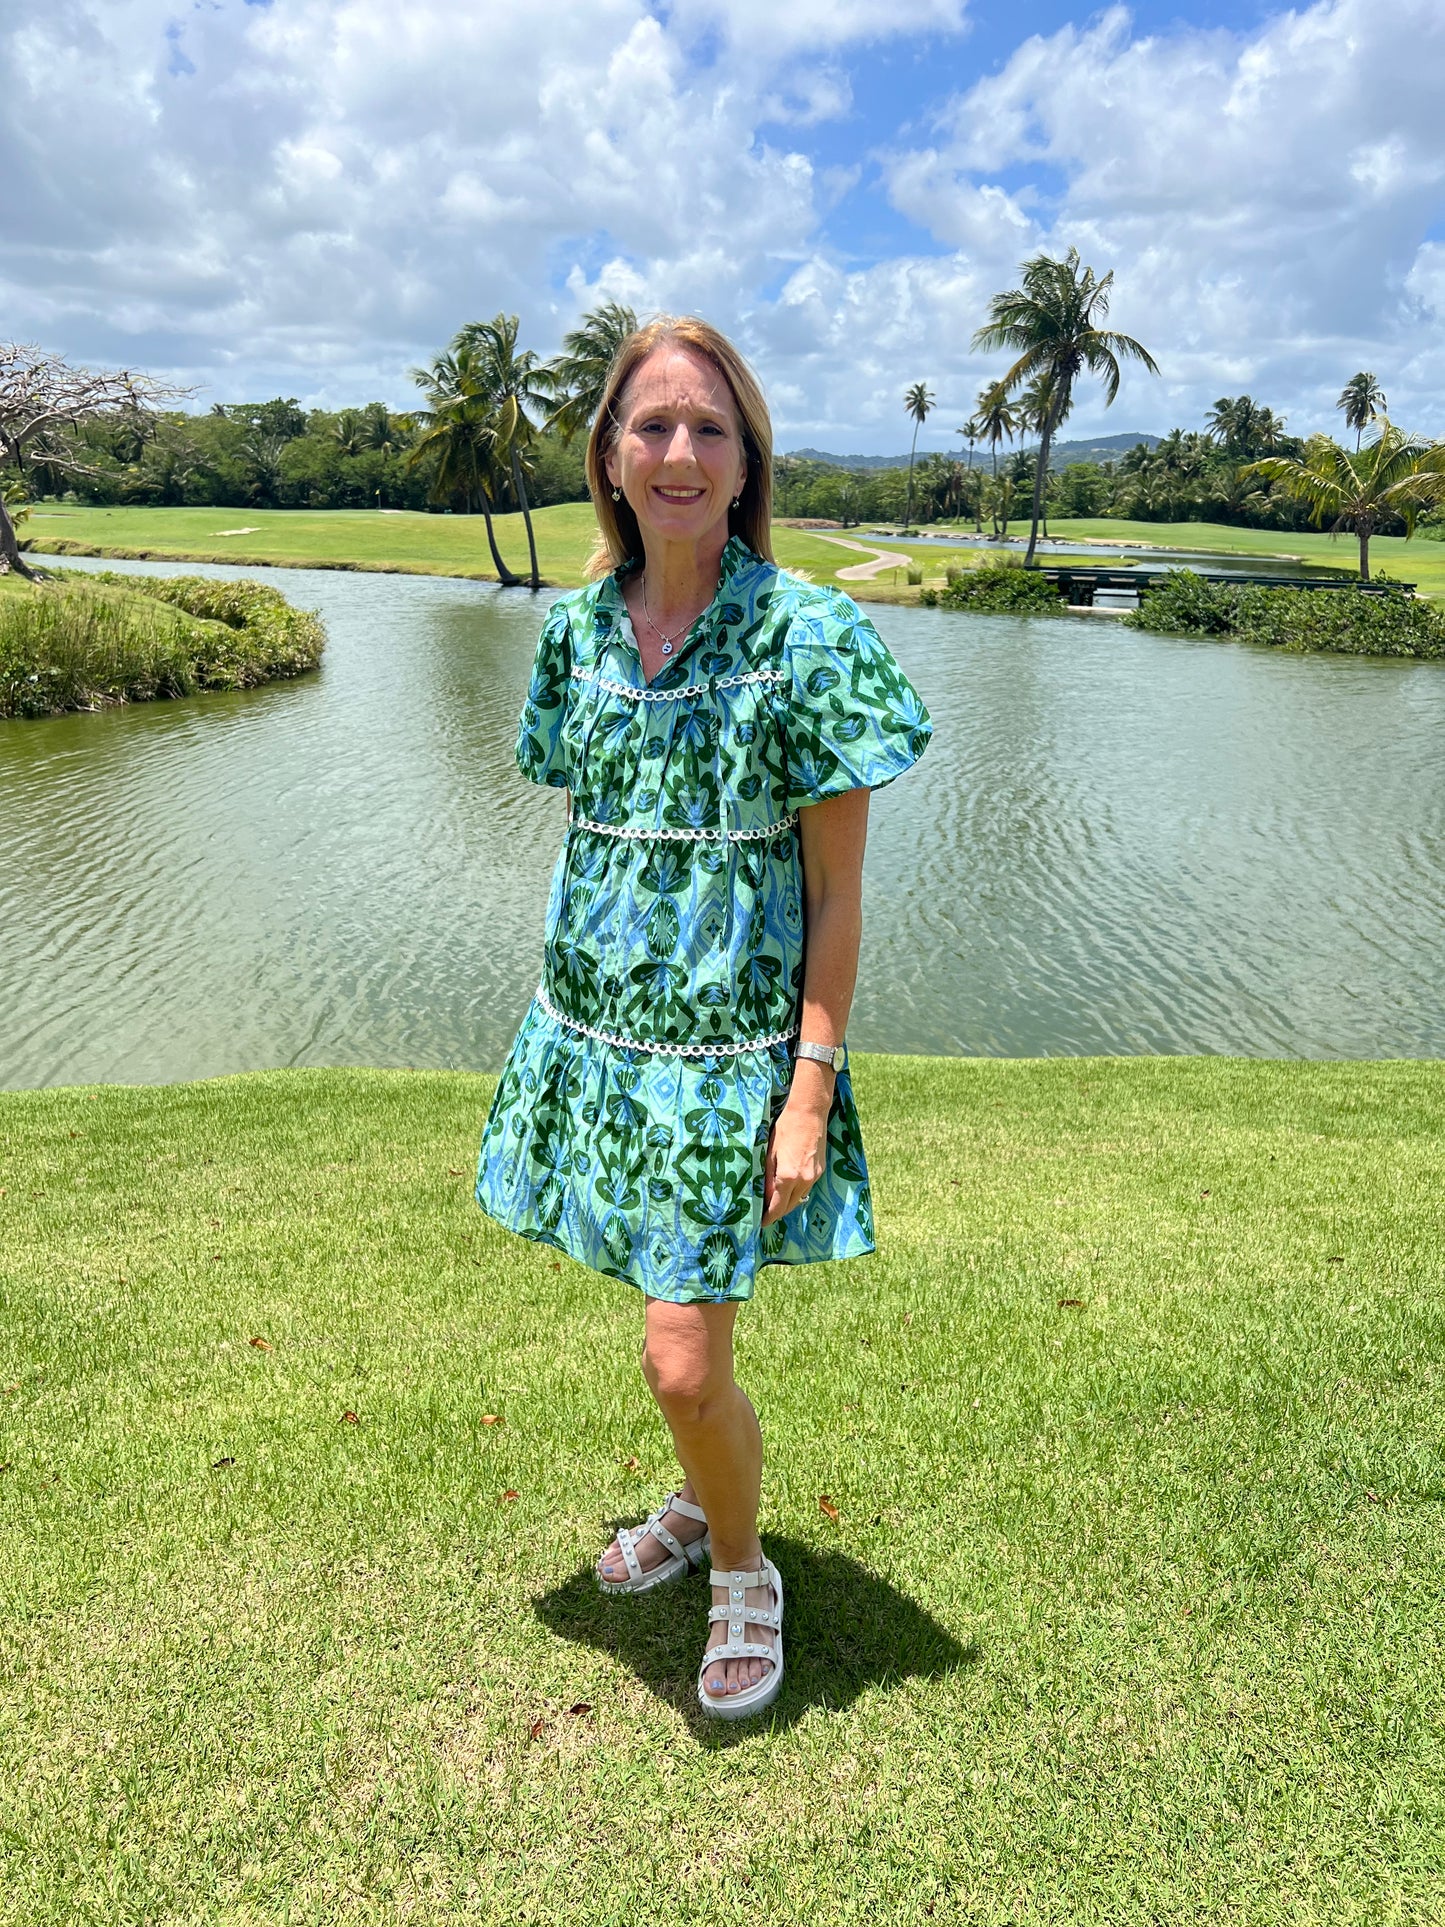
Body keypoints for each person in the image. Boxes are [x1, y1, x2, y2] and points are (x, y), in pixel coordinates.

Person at [475, 316, 932, 1718]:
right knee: (683, 1343)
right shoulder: (570, 636)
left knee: (678, 1355)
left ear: (746, 463)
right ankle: (698, 1497)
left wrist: (809, 1086)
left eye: (709, 428)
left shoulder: (810, 637)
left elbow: (837, 895)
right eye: (652, 425)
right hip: (598, 1045)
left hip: (732, 1066)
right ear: (610, 456)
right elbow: (592, 832)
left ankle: (740, 1566)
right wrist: (554, 1041)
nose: (679, 452)